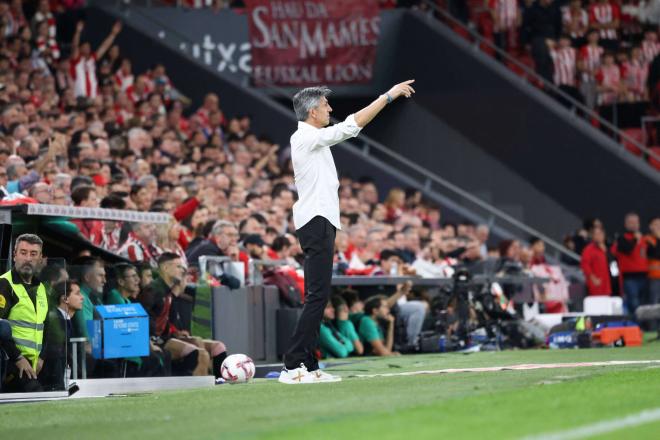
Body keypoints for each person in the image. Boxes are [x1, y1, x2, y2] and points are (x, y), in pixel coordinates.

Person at [279, 80, 416, 384]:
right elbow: (351, 126)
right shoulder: (304, 137)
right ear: (313, 111)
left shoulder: (312, 138)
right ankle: (292, 365)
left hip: (322, 221)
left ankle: (310, 365)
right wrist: (388, 95)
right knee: (316, 297)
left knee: (320, 295)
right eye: (326, 105)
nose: (330, 108)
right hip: (315, 221)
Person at [139, 252, 227, 377]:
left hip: (165, 338)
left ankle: (218, 381)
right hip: (156, 341)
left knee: (212, 348)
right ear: (165, 268)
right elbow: (142, 319)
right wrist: (147, 342)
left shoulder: (167, 291)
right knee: (200, 354)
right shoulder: (153, 290)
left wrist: (175, 332)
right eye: (178, 266)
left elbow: (164, 320)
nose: (182, 270)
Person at [0, 234, 49, 392]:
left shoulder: (41, 287)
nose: (28, 258)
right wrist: (18, 358)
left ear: (40, 258)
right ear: (14, 255)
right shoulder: (4, 284)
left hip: (34, 364)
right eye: (23, 252)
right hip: (10, 362)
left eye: (33, 254)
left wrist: (42, 357)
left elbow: (44, 325)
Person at [39, 281, 83, 391]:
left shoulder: (65, 320)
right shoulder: (55, 320)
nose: (82, 298)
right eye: (77, 293)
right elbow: (54, 355)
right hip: (49, 384)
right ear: (65, 299)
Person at [611, 212, 648, 316]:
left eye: (636, 222)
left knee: (643, 303)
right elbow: (628, 249)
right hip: (630, 277)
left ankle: (644, 326)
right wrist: (636, 239)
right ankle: (635, 326)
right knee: (634, 303)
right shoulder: (622, 238)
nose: (634, 224)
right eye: (631, 222)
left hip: (644, 276)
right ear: (626, 224)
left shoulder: (644, 238)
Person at [581, 226, 613, 296]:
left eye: (600, 234)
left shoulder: (607, 249)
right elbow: (585, 265)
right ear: (593, 236)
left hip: (608, 284)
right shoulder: (588, 250)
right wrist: (593, 278)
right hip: (596, 285)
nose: (599, 236)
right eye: (596, 234)